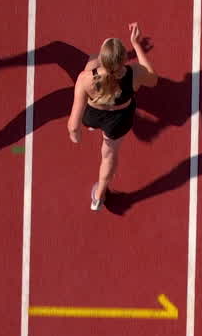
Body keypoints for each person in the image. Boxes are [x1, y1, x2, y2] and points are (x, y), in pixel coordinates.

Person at [66, 23, 157, 210]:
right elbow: (153, 79)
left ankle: (93, 127)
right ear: (124, 59)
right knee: (109, 156)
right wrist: (137, 44)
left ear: (103, 60)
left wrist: (75, 136)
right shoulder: (135, 73)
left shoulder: (85, 79)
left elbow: (73, 123)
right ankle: (98, 197)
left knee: (90, 59)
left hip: (92, 116)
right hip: (118, 120)